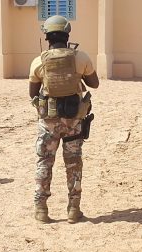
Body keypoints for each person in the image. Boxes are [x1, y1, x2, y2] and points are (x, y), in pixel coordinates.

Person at [29, 15, 99, 224]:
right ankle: (73, 209)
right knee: (74, 164)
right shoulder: (81, 57)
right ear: (67, 35)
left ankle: (41, 210)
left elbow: (32, 93)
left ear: (47, 37)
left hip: (48, 122)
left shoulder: (39, 61)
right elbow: (94, 83)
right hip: (73, 120)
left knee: (44, 162)